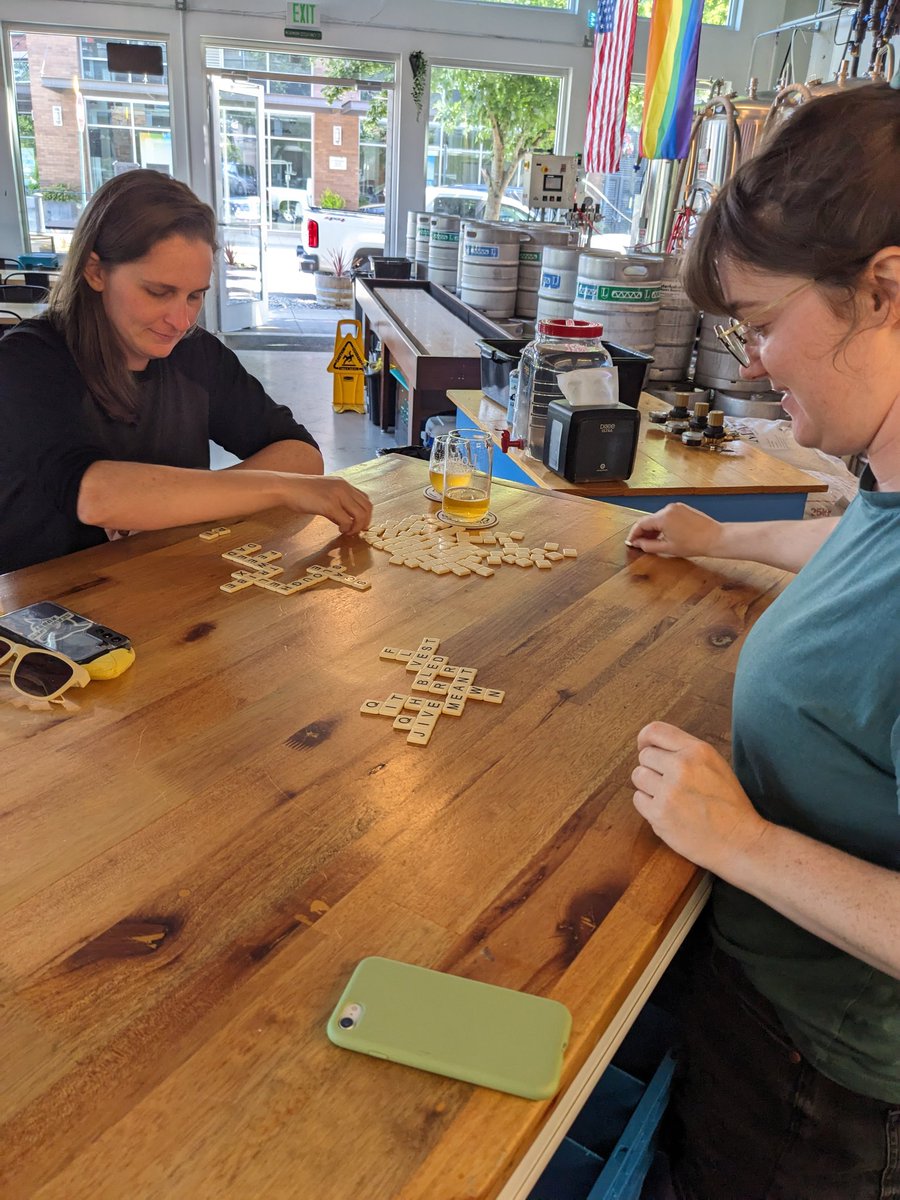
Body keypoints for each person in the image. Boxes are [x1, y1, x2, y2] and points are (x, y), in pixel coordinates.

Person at [627, 85, 900, 1199]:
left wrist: (734, 840)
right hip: (760, 1009)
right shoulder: (885, 481)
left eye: (762, 322)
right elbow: (861, 557)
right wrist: (725, 534)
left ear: (882, 289)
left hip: (821, 1096)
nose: (747, 363)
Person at [0, 170, 371, 575]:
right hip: (44, 616)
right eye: (159, 292)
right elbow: (95, 495)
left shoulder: (195, 353)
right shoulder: (27, 361)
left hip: (169, 592)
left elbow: (300, 454)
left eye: (194, 295)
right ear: (95, 271)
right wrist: (277, 487)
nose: (181, 320)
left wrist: (184, 505)